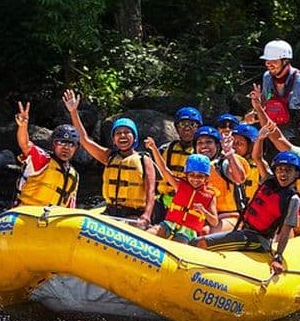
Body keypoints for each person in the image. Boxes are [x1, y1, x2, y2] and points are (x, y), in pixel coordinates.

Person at [192, 151, 300, 274]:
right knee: (199, 239)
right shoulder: (268, 181)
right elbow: (257, 156)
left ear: (297, 173)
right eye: (280, 169)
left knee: (199, 243)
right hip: (244, 230)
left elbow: (286, 230)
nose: (283, 173)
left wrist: (278, 256)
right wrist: (260, 138)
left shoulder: (293, 199)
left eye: (288, 170)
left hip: (258, 240)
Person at [63, 89, 155, 227]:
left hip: (133, 214)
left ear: (134, 137)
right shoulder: (109, 157)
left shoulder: (143, 159)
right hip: (110, 211)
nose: (122, 136)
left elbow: (151, 190)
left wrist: (146, 215)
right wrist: (73, 112)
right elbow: (84, 139)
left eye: (127, 132)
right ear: (114, 138)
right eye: (118, 133)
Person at [143, 140, 218, 243]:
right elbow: (164, 169)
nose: (195, 179)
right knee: (149, 235)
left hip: (187, 232)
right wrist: (154, 148)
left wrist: (204, 211)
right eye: (192, 175)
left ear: (206, 177)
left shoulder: (210, 196)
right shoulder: (179, 185)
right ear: (186, 175)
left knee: (178, 243)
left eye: (200, 176)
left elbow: (214, 222)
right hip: (169, 224)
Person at [254, 39, 300, 141]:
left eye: (274, 61)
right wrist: (255, 111)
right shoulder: (267, 78)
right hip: (275, 135)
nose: (269, 65)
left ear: (285, 61)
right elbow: (265, 103)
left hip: (298, 138)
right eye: (267, 62)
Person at [13, 101, 80, 207]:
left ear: (76, 148)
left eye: (71, 144)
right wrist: (23, 126)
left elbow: (70, 206)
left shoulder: (74, 175)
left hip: (52, 219)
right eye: (61, 142)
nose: (66, 147)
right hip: (27, 214)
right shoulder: (42, 159)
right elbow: (25, 145)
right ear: (54, 144)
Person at [151, 106, 202, 224]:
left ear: (198, 127)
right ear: (176, 128)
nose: (187, 128)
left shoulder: (201, 152)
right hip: (163, 200)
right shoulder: (164, 149)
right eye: (183, 124)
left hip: (187, 202)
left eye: (192, 124)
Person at [194, 125, 248, 232]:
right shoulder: (194, 167)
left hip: (231, 217)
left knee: (204, 232)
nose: (204, 146)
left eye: (209, 142)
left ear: (217, 146)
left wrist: (229, 152)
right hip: (205, 215)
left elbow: (240, 178)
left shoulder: (224, 163)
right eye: (200, 143)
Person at [231, 123, 265, 201]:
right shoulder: (223, 162)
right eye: (232, 142)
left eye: (239, 143)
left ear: (251, 146)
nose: (233, 146)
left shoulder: (260, 166)